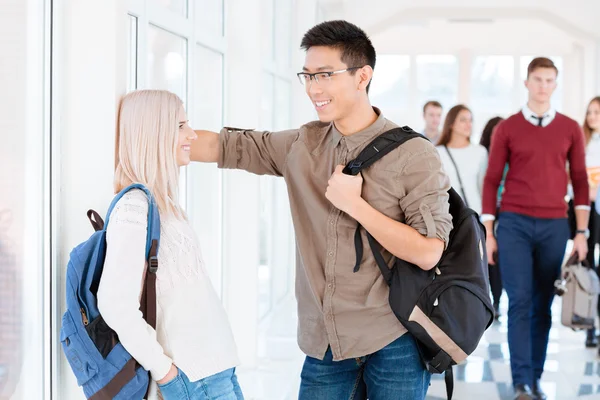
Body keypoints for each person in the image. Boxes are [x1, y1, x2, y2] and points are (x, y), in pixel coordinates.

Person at [191, 20, 453, 400]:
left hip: (393, 338)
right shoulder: (303, 144)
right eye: (308, 76)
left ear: (362, 76)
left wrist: (355, 205)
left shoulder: (413, 154)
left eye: (326, 75)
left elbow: (429, 252)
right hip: (325, 345)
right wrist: (157, 134)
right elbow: (228, 147)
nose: (314, 88)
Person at [97, 90, 243, 400]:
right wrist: (165, 371)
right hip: (192, 376)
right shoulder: (134, 208)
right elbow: (114, 303)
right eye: (180, 125)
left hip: (214, 368)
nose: (191, 134)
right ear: (155, 134)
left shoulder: (163, 204)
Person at [482, 58, 589, 400]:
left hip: (555, 225)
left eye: (549, 81)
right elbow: (492, 179)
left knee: (544, 304)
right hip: (513, 222)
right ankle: (521, 382)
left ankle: (536, 378)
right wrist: (488, 230)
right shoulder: (508, 128)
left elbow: (581, 181)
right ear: (527, 83)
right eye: (538, 80)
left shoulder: (570, 128)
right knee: (520, 301)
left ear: (555, 85)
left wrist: (582, 233)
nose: (543, 86)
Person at [435, 104, 488, 215]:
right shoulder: (438, 152)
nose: (469, 124)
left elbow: (483, 188)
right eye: (463, 120)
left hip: (475, 214)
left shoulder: (480, 152)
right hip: (447, 216)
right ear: (451, 124)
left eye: (470, 120)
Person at [479, 116, 506, 318]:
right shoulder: (481, 155)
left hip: (505, 210)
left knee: (497, 257)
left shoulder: (511, 154)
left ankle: (496, 299)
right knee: (484, 257)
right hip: (483, 210)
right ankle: (485, 297)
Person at [581, 96, 600, 351]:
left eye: (597, 112)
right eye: (589, 113)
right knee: (588, 268)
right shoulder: (583, 142)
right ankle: (590, 327)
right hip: (588, 212)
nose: (592, 117)